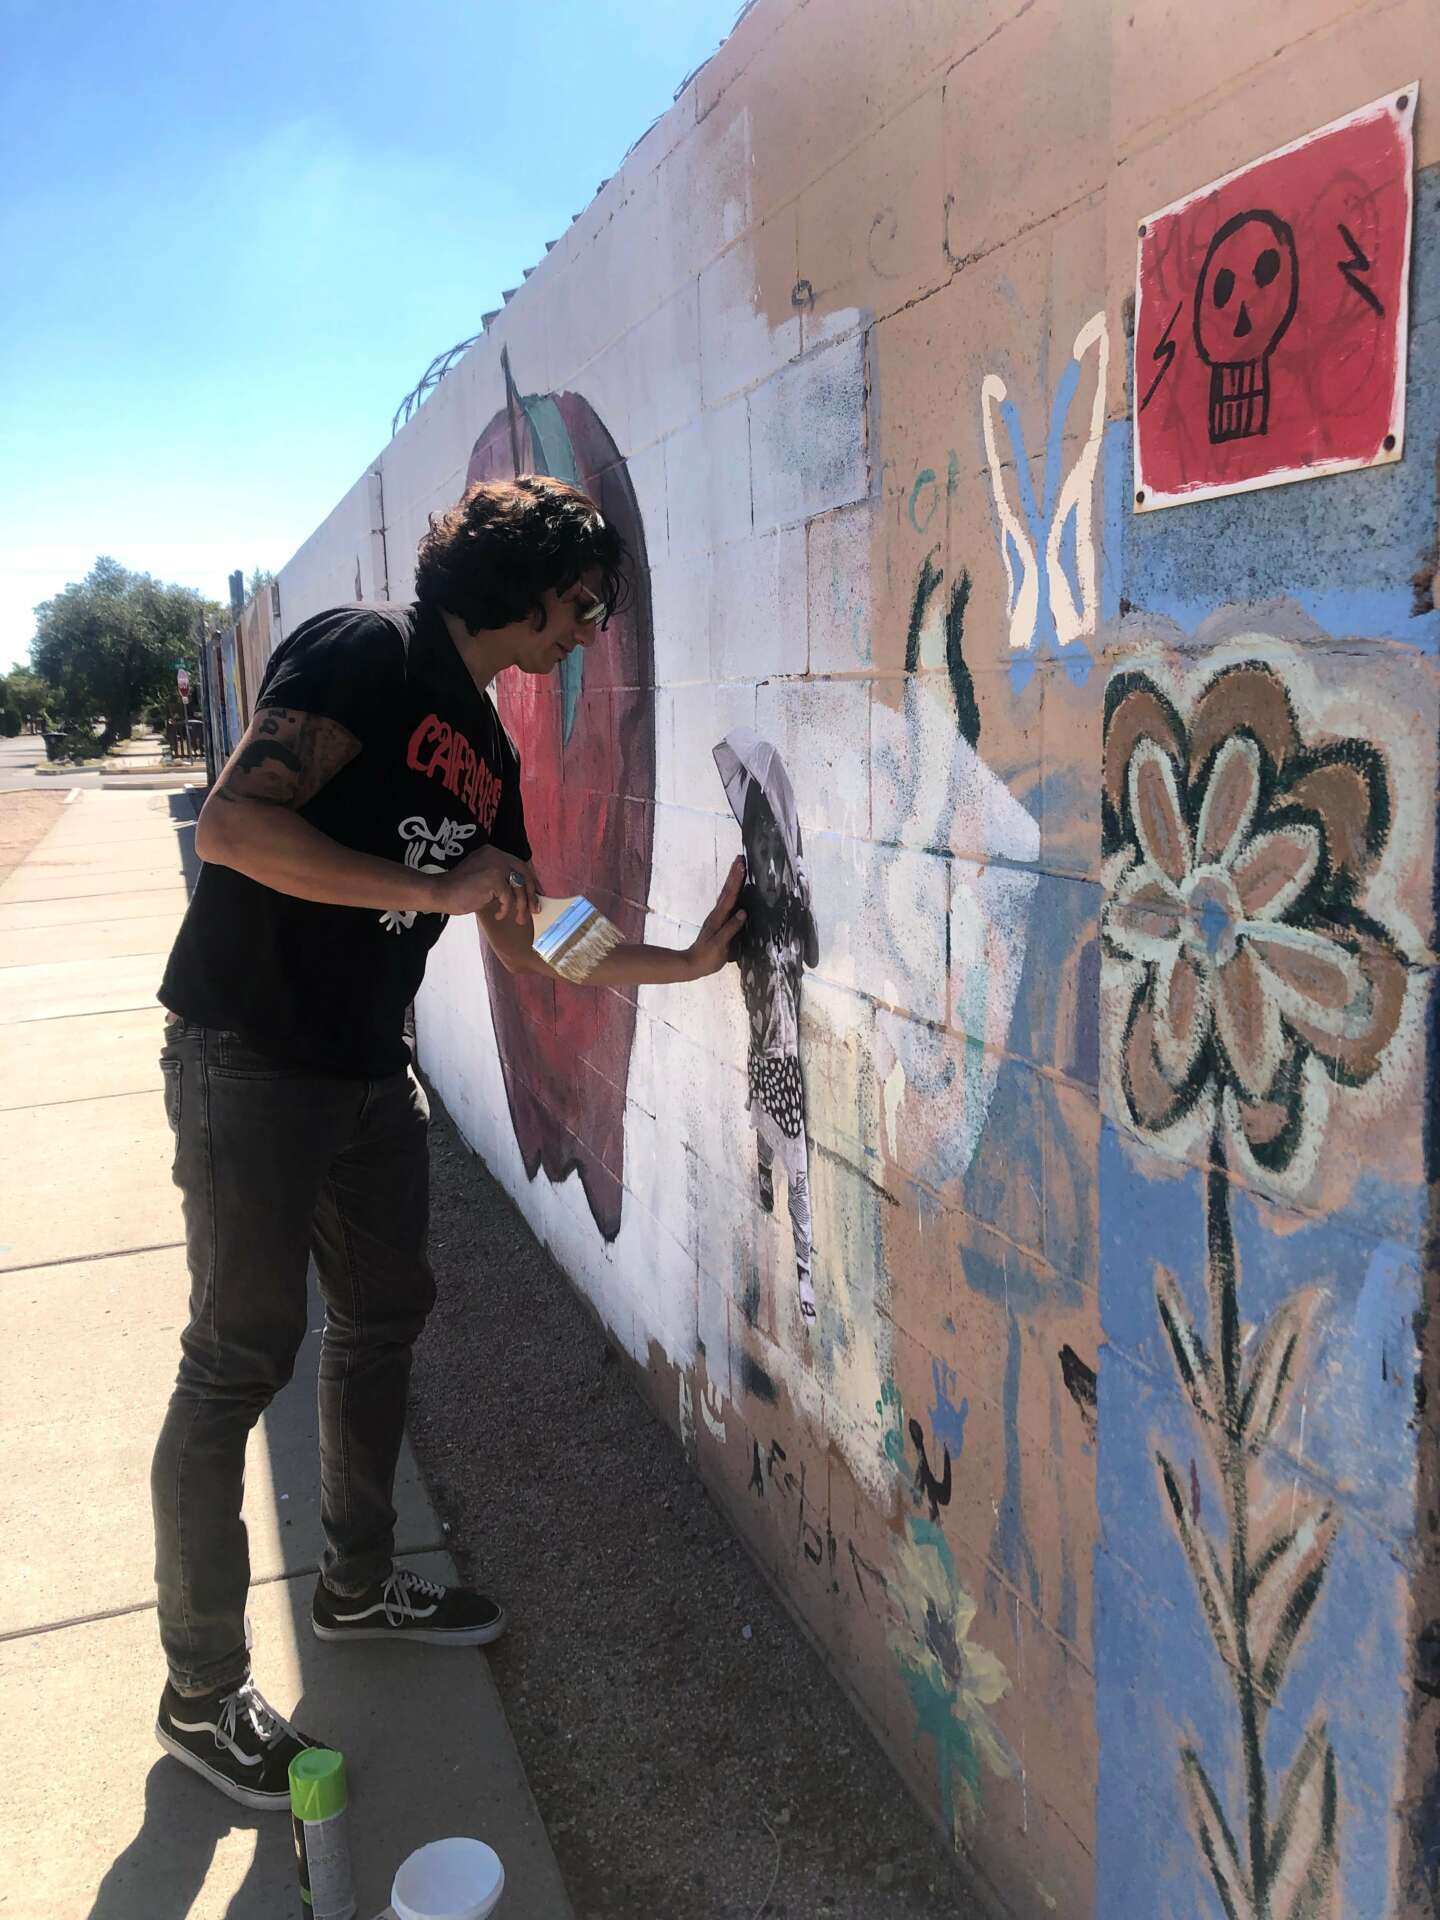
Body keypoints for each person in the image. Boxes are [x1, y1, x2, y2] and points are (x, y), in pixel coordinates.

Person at [151, 476, 746, 1811]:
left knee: (380, 1323)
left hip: (367, 1072)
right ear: (527, 585)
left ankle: (358, 1585)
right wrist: (433, 885)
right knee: (236, 1362)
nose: (587, 631)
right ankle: (200, 1690)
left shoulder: (487, 743)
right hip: (248, 1056)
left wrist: (684, 963)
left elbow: (528, 929)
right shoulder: (366, 650)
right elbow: (237, 828)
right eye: (581, 604)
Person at [713, 730, 819, 1322]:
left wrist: (803, 891)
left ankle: (804, 1274)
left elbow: (815, 957)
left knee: (797, 1169)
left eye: (776, 842)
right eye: (760, 842)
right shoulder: (748, 907)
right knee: (761, 1126)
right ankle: (759, 1180)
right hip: (761, 1054)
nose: (769, 855)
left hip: (786, 1061)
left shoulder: (791, 907)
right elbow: (720, 952)